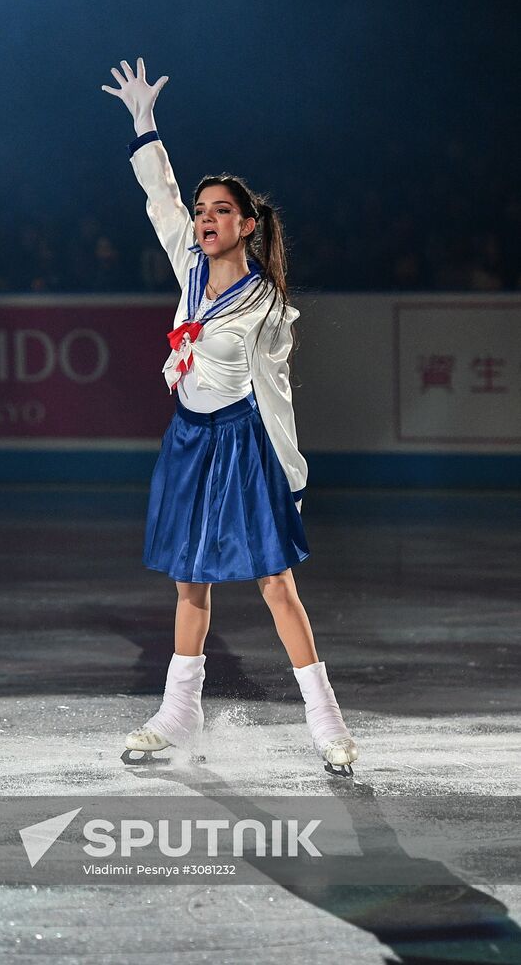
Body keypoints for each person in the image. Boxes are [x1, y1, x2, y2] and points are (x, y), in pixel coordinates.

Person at [102, 58, 359, 777]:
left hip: (244, 441)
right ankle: (177, 713)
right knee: (188, 580)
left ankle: (327, 723)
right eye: (203, 209)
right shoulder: (186, 259)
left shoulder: (263, 307)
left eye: (221, 211)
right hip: (188, 438)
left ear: (247, 226)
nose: (206, 218)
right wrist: (143, 125)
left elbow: (276, 397)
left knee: (275, 584)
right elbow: (159, 196)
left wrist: (291, 479)